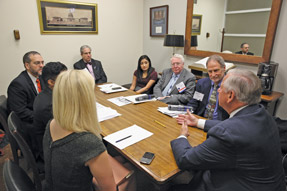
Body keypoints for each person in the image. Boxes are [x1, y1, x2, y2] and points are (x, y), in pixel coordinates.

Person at [170, 69, 285, 191]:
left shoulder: (227, 135)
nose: (218, 90)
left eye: (221, 88)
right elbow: (236, 127)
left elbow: (185, 159)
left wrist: (182, 136)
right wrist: (198, 122)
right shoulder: (262, 114)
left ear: (230, 95)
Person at [43, 70, 116, 191]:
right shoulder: (89, 143)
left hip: (53, 186)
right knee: (129, 175)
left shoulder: (51, 124)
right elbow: (110, 189)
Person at [7, 51, 45, 151]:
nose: (41, 65)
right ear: (27, 65)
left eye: (42, 62)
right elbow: (21, 112)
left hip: (37, 116)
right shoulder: (18, 84)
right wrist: (43, 117)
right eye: (37, 63)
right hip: (28, 125)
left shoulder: (40, 78)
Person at [33, 62, 67, 162]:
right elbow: (63, 133)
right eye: (64, 79)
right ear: (51, 82)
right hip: (53, 150)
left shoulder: (47, 93)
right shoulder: (49, 105)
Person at [185, 55, 229, 130]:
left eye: (216, 70)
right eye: (210, 71)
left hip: (220, 125)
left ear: (224, 68)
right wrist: (187, 113)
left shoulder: (232, 86)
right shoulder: (201, 83)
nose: (213, 75)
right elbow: (195, 102)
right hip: (200, 121)